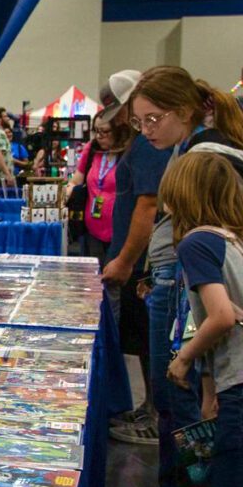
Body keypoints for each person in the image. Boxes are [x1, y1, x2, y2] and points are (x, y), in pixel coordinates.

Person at [123, 65, 243, 487]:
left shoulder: (205, 157)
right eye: (139, 122)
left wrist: (187, 352)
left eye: (153, 119)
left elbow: (219, 313)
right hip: (174, 282)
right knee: (178, 400)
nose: (146, 130)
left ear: (184, 110)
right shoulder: (190, 148)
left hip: (185, 289)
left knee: (178, 397)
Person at [159, 151, 243, 487]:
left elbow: (221, 317)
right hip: (230, 382)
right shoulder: (229, 240)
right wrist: (209, 393)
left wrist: (183, 359)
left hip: (238, 382)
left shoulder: (195, 243)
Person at [100, 69, 171, 446]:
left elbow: (147, 205)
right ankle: (148, 408)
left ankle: (155, 415)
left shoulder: (147, 144)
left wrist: (127, 261)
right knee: (142, 342)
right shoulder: (143, 143)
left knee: (147, 340)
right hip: (138, 259)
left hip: (142, 263)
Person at [64, 113, 132, 266]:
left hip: (120, 231)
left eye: (105, 132)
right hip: (92, 229)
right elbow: (76, 180)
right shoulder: (92, 150)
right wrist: (68, 191)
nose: (99, 136)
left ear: (118, 131)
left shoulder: (129, 154)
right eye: (96, 131)